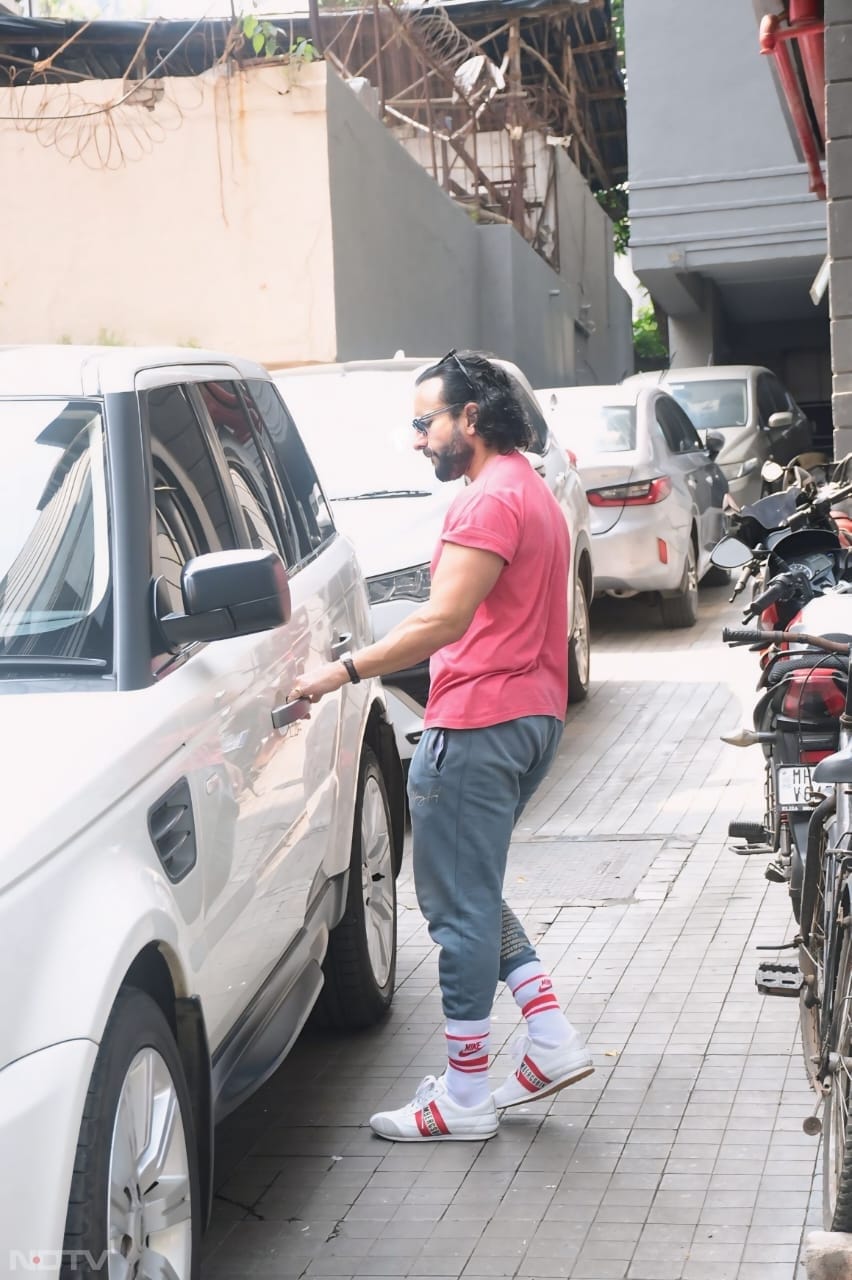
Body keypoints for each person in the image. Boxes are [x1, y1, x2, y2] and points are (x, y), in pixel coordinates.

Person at [289, 349, 593, 1141]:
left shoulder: (487, 502)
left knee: (455, 910)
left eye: (426, 422)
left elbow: (442, 620)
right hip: (532, 718)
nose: (419, 438)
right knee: (472, 889)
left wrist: (342, 670)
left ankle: (463, 1096)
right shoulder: (529, 487)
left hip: (479, 723)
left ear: (472, 419)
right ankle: (550, 1036)